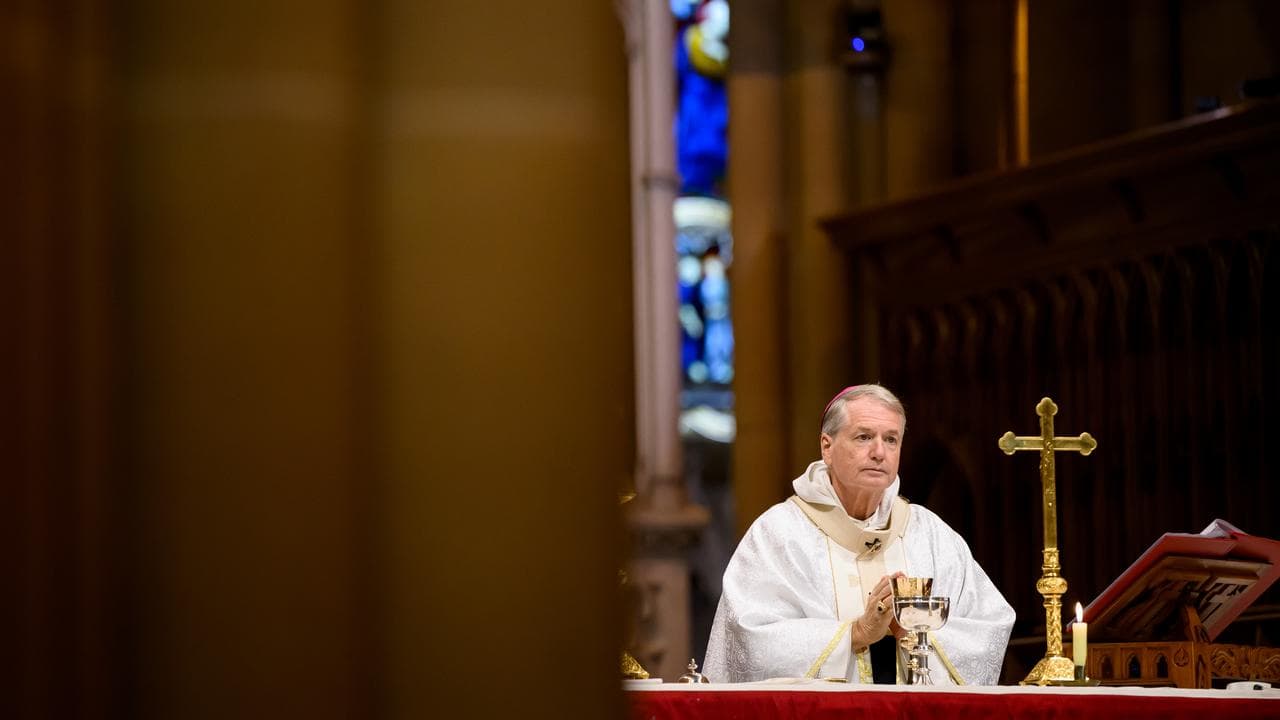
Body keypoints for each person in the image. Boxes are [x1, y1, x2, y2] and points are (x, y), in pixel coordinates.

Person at [703, 384, 1014, 684]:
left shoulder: (931, 534)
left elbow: (989, 626)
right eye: (864, 437)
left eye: (891, 440)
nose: (879, 452)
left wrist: (914, 633)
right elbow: (751, 640)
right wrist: (856, 633)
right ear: (827, 446)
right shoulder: (780, 533)